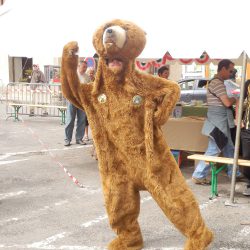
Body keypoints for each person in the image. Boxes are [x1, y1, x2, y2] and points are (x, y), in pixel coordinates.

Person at [192, 59, 242, 185]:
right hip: (218, 122)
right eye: (231, 70)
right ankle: (198, 175)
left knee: (229, 147)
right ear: (223, 69)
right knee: (214, 149)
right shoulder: (217, 83)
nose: (232, 73)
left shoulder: (218, 82)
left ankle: (234, 172)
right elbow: (226, 102)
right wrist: (236, 97)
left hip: (219, 120)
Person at [64, 61, 90, 146]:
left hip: (82, 102)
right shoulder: (73, 75)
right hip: (72, 100)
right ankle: (67, 139)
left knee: (82, 120)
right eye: (83, 67)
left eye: (86, 67)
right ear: (78, 66)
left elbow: (89, 87)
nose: (85, 68)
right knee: (70, 119)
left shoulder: (87, 77)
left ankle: (79, 138)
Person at [241, 80, 250, 196]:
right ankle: (249, 184)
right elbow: (240, 101)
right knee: (247, 157)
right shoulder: (248, 84)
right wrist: (238, 118)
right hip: (247, 128)